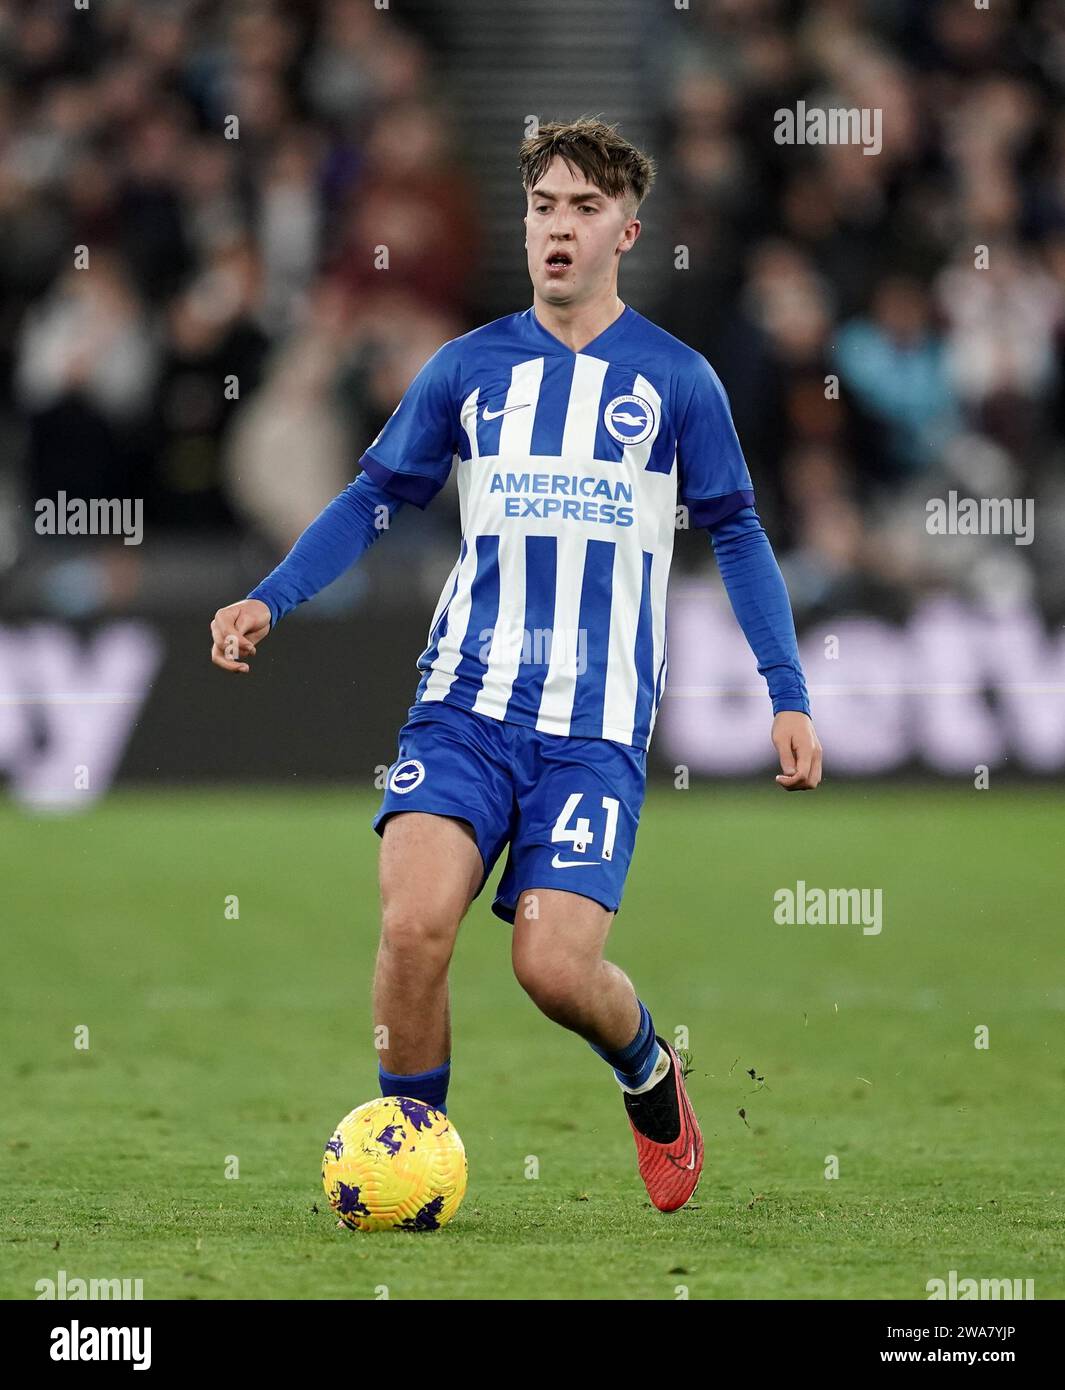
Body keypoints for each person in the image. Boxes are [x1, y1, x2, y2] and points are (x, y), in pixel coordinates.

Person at [210, 118, 822, 1213]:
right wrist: (271, 597)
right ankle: (414, 1153)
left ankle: (650, 1072)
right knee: (411, 925)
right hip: (464, 706)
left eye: (585, 210)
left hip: (595, 729)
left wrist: (787, 691)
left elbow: (737, 531)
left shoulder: (678, 383)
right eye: (545, 206)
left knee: (552, 968)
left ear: (626, 231)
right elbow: (373, 496)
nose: (559, 227)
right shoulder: (469, 368)